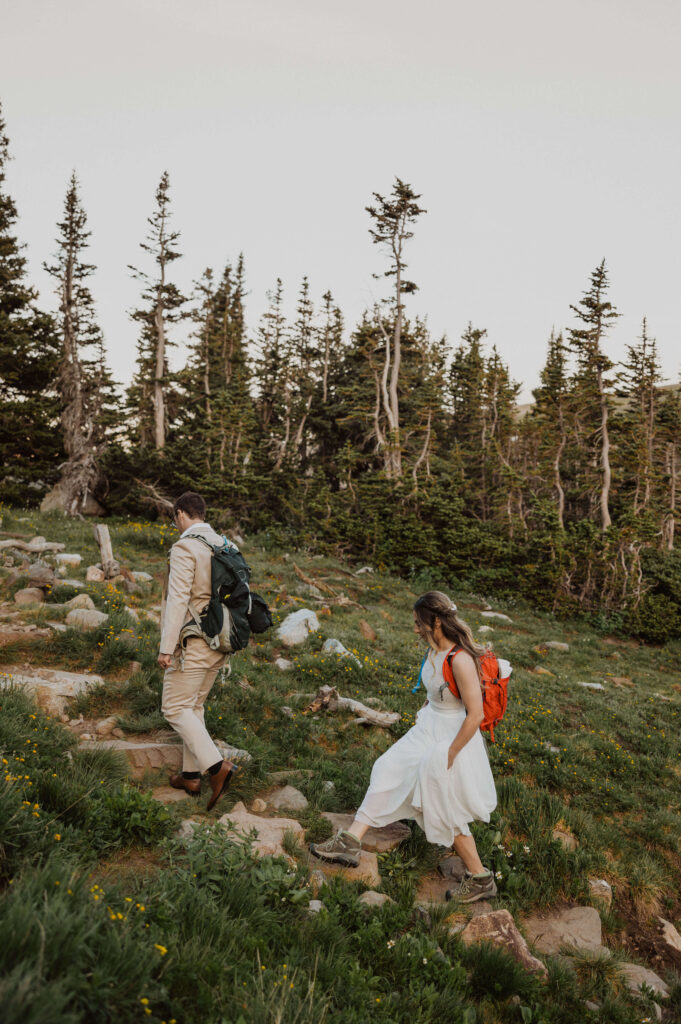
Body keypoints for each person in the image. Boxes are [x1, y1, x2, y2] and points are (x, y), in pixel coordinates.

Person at [310, 590, 498, 903]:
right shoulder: (432, 652)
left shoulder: (461, 660)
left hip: (451, 739)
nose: (415, 628)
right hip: (427, 727)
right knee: (387, 768)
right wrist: (427, 707)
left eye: (419, 622)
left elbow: (475, 714)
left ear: (436, 621)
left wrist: (449, 755)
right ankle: (350, 842)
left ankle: (480, 878)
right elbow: (438, 690)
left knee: (441, 804)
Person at [158, 491, 238, 809]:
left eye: (174, 518)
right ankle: (191, 775)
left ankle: (217, 768)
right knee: (194, 707)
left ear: (180, 514)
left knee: (174, 707)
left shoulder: (185, 547)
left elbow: (177, 600)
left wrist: (166, 647)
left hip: (195, 641)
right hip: (223, 641)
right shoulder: (227, 545)